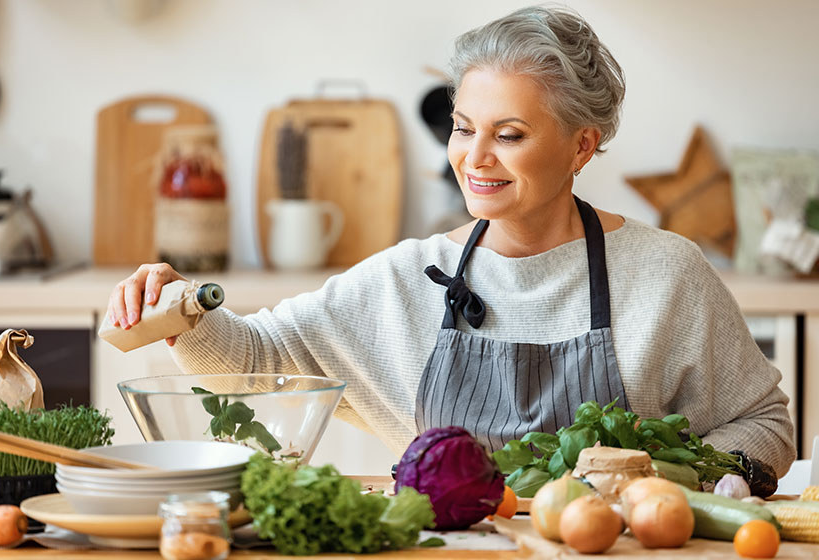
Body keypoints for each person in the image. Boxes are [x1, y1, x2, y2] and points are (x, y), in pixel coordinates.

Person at [108, 5, 795, 476]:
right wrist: (183, 312)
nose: (475, 157)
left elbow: (762, 422)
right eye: (465, 128)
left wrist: (696, 482)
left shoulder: (666, 274)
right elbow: (259, 361)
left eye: (510, 134)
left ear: (582, 144)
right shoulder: (409, 277)